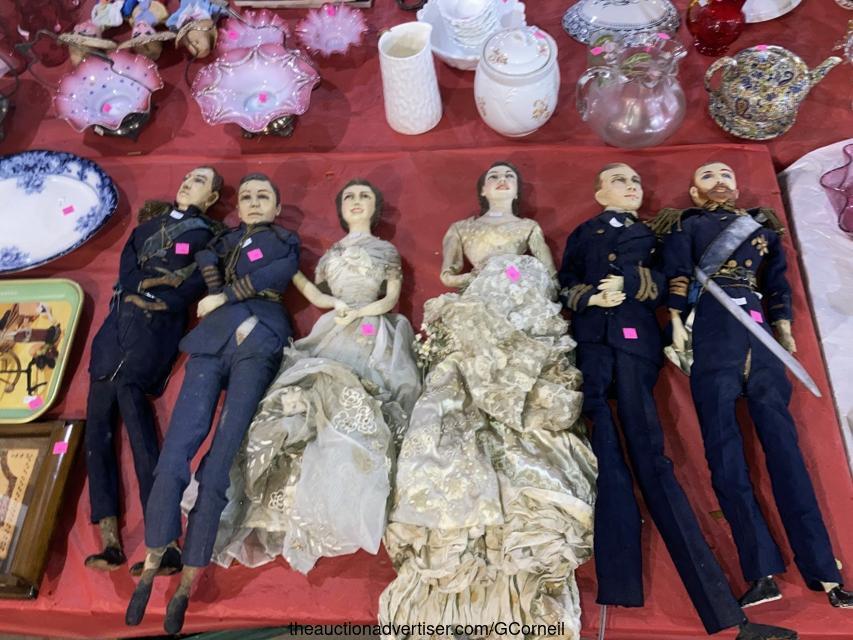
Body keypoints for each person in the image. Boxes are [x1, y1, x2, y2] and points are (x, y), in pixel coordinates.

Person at [560, 162, 797, 640]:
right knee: (604, 463)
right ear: (599, 191)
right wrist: (588, 298)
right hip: (589, 347)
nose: (632, 186)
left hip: (634, 346)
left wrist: (631, 286)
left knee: (653, 462)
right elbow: (564, 282)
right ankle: (620, 584)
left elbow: (671, 283)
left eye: (636, 181)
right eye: (620, 180)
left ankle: (727, 614)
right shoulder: (583, 233)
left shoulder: (655, 234)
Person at [380, 161, 596, 639]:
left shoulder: (528, 228)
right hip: (478, 303)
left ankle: (515, 569)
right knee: (455, 397)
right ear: (482, 188)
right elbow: (448, 274)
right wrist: (486, 276)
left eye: (510, 177)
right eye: (494, 176)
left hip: (523, 305)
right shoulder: (462, 229)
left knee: (525, 403)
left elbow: (549, 274)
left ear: (517, 189)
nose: (502, 180)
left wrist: (512, 271)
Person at [656, 161, 853, 612]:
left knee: (788, 457)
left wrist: (783, 326)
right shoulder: (688, 226)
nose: (719, 182)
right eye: (707, 176)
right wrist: (677, 322)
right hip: (712, 332)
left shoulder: (762, 228)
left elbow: (776, 281)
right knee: (724, 456)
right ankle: (761, 571)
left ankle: (826, 572)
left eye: (725, 175)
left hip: (760, 337)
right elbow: (677, 273)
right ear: (694, 190)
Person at [205, 179, 420, 574]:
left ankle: (347, 497)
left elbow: (390, 298)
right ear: (340, 208)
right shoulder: (331, 254)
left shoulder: (386, 250)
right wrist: (305, 283)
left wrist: (360, 312)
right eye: (350, 196)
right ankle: (290, 500)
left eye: (365, 196)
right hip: (333, 324)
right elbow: (317, 294)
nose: (357, 201)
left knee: (363, 400)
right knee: (307, 397)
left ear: (376, 207)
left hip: (371, 326)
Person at [125, 173, 300, 634]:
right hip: (212, 338)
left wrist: (225, 293)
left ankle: (189, 576)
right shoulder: (221, 242)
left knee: (220, 460)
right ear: (236, 207)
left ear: (277, 208)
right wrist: (211, 278)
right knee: (176, 450)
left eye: (264, 196)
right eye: (247, 196)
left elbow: (276, 273)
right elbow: (203, 258)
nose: (254, 202)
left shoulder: (285, 240)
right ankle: (154, 554)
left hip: (261, 334)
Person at [84, 166, 222, 575]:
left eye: (199, 181)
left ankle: (163, 542)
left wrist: (161, 299)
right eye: (188, 177)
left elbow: (196, 283)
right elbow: (127, 270)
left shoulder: (208, 235)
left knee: (140, 431)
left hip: (153, 330)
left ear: (212, 198)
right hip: (116, 328)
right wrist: (142, 289)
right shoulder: (147, 228)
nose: (188, 183)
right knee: (96, 432)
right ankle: (110, 539)